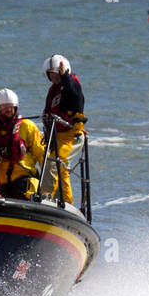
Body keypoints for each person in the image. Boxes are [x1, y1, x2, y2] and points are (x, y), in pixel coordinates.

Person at [0, 89, 46, 199]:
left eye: (11, 107)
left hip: (25, 181)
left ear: (16, 107)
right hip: (2, 184)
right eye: (4, 107)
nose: (8, 110)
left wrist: (47, 188)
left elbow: (43, 155)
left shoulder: (27, 126)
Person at [40, 54, 86, 205]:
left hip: (72, 136)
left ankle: (44, 199)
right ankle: (63, 203)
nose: (52, 76)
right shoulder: (53, 90)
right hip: (57, 137)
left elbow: (75, 96)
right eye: (50, 74)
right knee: (60, 170)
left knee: (55, 164)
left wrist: (65, 76)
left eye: (54, 73)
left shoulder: (72, 84)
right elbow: (48, 111)